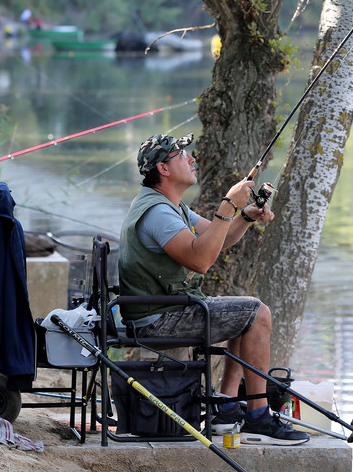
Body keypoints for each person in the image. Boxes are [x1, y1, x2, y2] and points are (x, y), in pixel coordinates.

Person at [118, 133, 310, 446]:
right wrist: (228, 205)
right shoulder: (158, 213)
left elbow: (217, 238)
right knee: (258, 313)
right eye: (182, 155)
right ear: (163, 169)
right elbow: (201, 260)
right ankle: (258, 417)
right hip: (157, 321)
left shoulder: (170, 206)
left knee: (243, 313)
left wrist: (244, 216)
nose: (191, 159)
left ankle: (227, 407)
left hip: (167, 310)